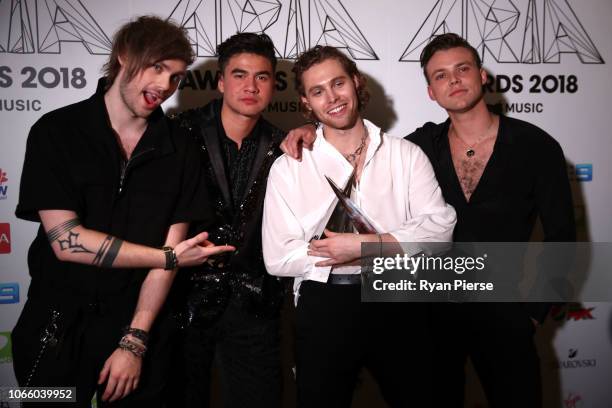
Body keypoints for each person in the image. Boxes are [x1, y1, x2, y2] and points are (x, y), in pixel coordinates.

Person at [281, 34, 576, 408]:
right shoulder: (419, 146)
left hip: (506, 311)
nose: (453, 80)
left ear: (483, 76)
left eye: (462, 69)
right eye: (440, 75)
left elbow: (563, 235)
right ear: (431, 92)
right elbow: (360, 144)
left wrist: (534, 312)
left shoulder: (536, 146)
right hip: (431, 314)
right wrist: (310, 133)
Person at [12, 16, 234, 408]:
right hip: (53, 331)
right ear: (125, 56)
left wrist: (134, 341)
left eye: (177, 77)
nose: (165, 86)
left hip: (138, 328)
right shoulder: (56, 130)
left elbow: (173, 246)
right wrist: (168, 258)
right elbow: (67, 242)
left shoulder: (180, 147)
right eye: (158, 67)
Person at [262, 45, 456, 408]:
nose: (332, 98)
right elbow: (278, 256)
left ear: (355, 81)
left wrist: (364, 248)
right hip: (326, 305)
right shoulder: (290, 166)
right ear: (305, 102)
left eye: (338, 84)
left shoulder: (405, 154)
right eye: (318, 91)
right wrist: (352, 254)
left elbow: (440, 233)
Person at [168, 32, 286, 408]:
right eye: (239, 74)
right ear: (220, 81)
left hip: (255, 304)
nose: (250, 86)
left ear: (273, 84)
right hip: (183, 300)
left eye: (262, 77)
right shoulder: (179, 132)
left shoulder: (288, 145)